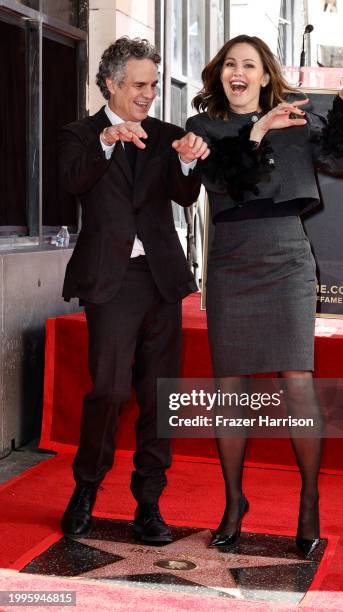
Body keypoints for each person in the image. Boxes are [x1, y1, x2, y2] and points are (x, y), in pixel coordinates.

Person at [186, 34, 343, 556]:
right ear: (220, 73)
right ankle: (233, 503)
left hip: (287, 259)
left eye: (249, 64)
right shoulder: (204, 127)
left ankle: (310, 501)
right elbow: (225, 183)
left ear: (265, 75)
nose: (238, 71)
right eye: (230, 63)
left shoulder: (294, 120)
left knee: (298, 381)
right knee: (230, 388)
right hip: (231, 262)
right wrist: (257, 130)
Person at [59, 37, 209, 543]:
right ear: (111, 84)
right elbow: (73, 182)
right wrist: (106, 142)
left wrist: (190, 161)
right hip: (111, 282)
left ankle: (149, 504)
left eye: (152, 85)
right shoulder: (79, 135)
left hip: (162, 280)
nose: (148, 94)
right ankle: (86, 487)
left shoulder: (168, 134)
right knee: (109, 390)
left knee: (159, 397)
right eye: (139, 85)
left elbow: (185, 195)